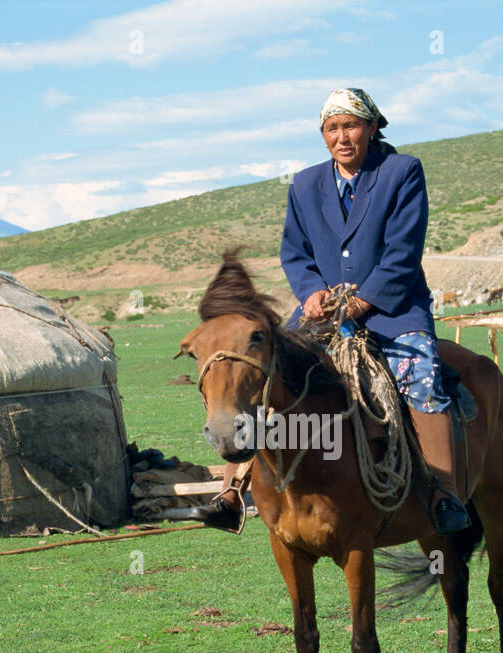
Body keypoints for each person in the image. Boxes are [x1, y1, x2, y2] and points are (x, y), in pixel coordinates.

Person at [194, 88, 471, 535]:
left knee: (420, 382)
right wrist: (309, 293)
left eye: (352, 126)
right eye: (332, 128)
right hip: (320, 313)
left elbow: (403, 250)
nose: (343, 137)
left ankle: (444, 493)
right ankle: (232, 490)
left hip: (393, 311)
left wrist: (365, 300)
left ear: (372, 127)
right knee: (265, 372)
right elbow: (294, 252)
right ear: (323, 135)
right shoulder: (305, 184)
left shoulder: (401, 172)